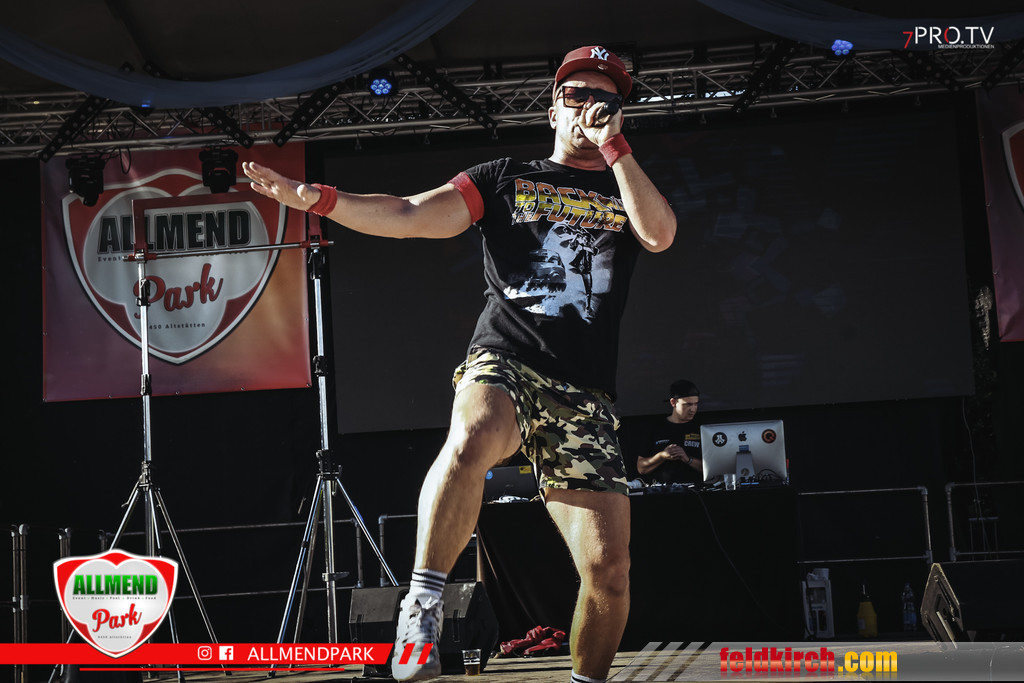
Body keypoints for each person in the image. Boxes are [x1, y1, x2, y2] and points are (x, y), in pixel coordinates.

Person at [243, 45, 676, 683]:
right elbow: (412, 214)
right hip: (508, 355)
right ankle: (421, 610)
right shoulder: (505, 177)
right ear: (553, 109)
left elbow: (659, 234)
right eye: (578, 95)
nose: (591, 106)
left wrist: (616, 149)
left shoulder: (624, 183)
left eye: (606, 99)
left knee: (609, 573)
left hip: (585, 390)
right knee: (472, 435)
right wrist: (319, 199)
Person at [636, 379, 703, 485]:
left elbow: (713, 469)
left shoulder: (701, 428)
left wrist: (688, 459)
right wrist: (662, 456)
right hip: (662, 490)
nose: (693, 409)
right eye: (688, 404)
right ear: (673, 402)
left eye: (696, 404)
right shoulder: (656, 428)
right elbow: (641, 468)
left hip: (695, 489)